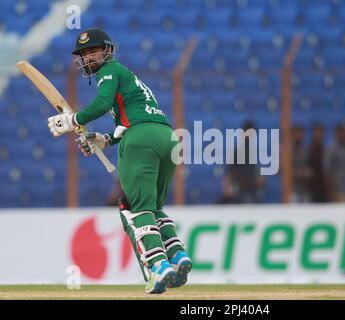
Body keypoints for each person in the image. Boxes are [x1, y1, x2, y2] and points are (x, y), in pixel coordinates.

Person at [46, 28, 191, 294]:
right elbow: (128, 121)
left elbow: (102, 104)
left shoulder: (109, 72)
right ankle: (178, 255)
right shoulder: (130, 79)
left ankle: (159, 265)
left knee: (135, 208)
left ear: (107, 51)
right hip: (167, 138)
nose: (88, 58)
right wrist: (104, 139)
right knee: (153, 206)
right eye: (84, 54)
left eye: (92, 51)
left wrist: (73, 120)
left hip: (141, 139)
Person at [221, 121, 265, 203]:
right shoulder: (237, 152)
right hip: (239, 191)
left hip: (250, 191)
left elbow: (259, 178)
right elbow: (230, 174)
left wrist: (258, 181)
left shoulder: (253, 153)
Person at [324, 124, 345, 202]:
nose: (344, 135)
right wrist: (331, 192)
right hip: (336, 192)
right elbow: (327, 173)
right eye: (341, 132)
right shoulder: (331, 150)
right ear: (336, 134)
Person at [307, 123, 328, 202]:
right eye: (317, 132)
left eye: (321, 133)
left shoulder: (325, 150)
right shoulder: (309, 150)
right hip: (312, 188)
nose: (319, 135)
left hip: (324, 188)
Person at [291, 126, 311, 202]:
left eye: (301, 133)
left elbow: (309, 167)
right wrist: (297, 173)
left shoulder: (306, 150)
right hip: (293, 190)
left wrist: (307, 173)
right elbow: (283, 169)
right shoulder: (288, 150)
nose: (299, 135)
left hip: (305, 189)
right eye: (297, 133)